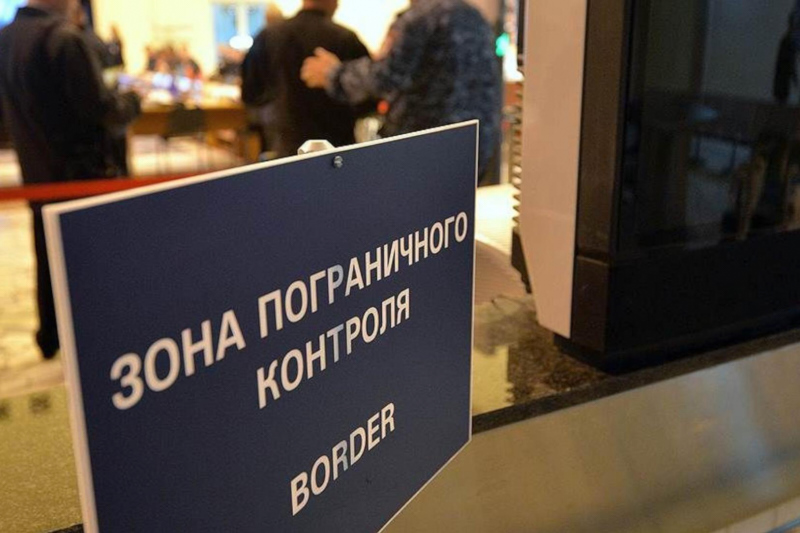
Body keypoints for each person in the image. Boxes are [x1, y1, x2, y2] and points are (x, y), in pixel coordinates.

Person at [0, 0, 141, 359]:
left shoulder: (8, 37)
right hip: (81, 177)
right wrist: (131, 102)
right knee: (93, 268)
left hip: (38, 172)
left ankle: (50, 334)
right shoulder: (64, 39)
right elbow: (101, 109)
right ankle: (98, 343)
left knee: (48, 254)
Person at [301, 0, 502, 178]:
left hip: (425, 150)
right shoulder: (474, 17)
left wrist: (334, 74)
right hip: (472, 147)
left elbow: (386, 77)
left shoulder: (419, 18)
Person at [266, 0, 371, 157]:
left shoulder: (269, 36)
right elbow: (368, 98)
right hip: (339, 147)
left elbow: (251, 93)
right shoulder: (346, 38)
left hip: (286, 146)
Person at [241, 3, 284, 153]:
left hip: (267, 105)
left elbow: (249, 71)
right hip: (283, 105)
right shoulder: (290, 36)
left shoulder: (263, 37)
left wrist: (249, 100)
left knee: (271, 150)